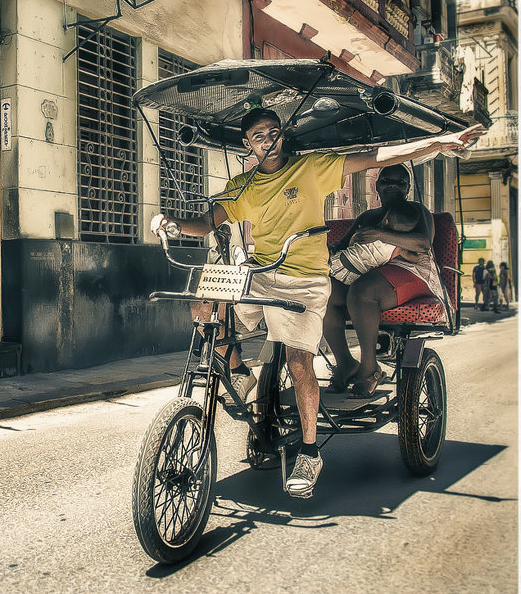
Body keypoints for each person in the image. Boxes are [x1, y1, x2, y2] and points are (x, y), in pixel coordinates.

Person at [152, 108, 483, 499]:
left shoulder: (310, 168)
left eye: (274, 132)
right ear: (248, 145)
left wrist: (441, 142)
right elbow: (207, 222)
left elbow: (378, 158)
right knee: (205, 303)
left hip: (303, 279)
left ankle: (309, 452)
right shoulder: (242, 186)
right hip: (261, 270)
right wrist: (172, 223)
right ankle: (239, 373)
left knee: (298, 360)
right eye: (260, 136)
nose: (269, 140)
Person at [322, 165, 443, 398]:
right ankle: (345, 363)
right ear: (377, 185)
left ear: (407, 188)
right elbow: (343, 245)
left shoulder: (418, 210)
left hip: (412, 271)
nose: (393, 186)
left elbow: (423, 243)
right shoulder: (367, 216)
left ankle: (369, 368)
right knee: (322, 290)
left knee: (362, 291)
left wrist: (380, 235)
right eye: (387, 180)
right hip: (367, 270)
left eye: (400, 182)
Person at [328, 199, 424, 286]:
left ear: (386, 221)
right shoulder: (399, 249)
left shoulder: (371, 232)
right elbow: (415, 259)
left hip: (338, 262)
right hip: (355, 278)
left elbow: (352, 241)